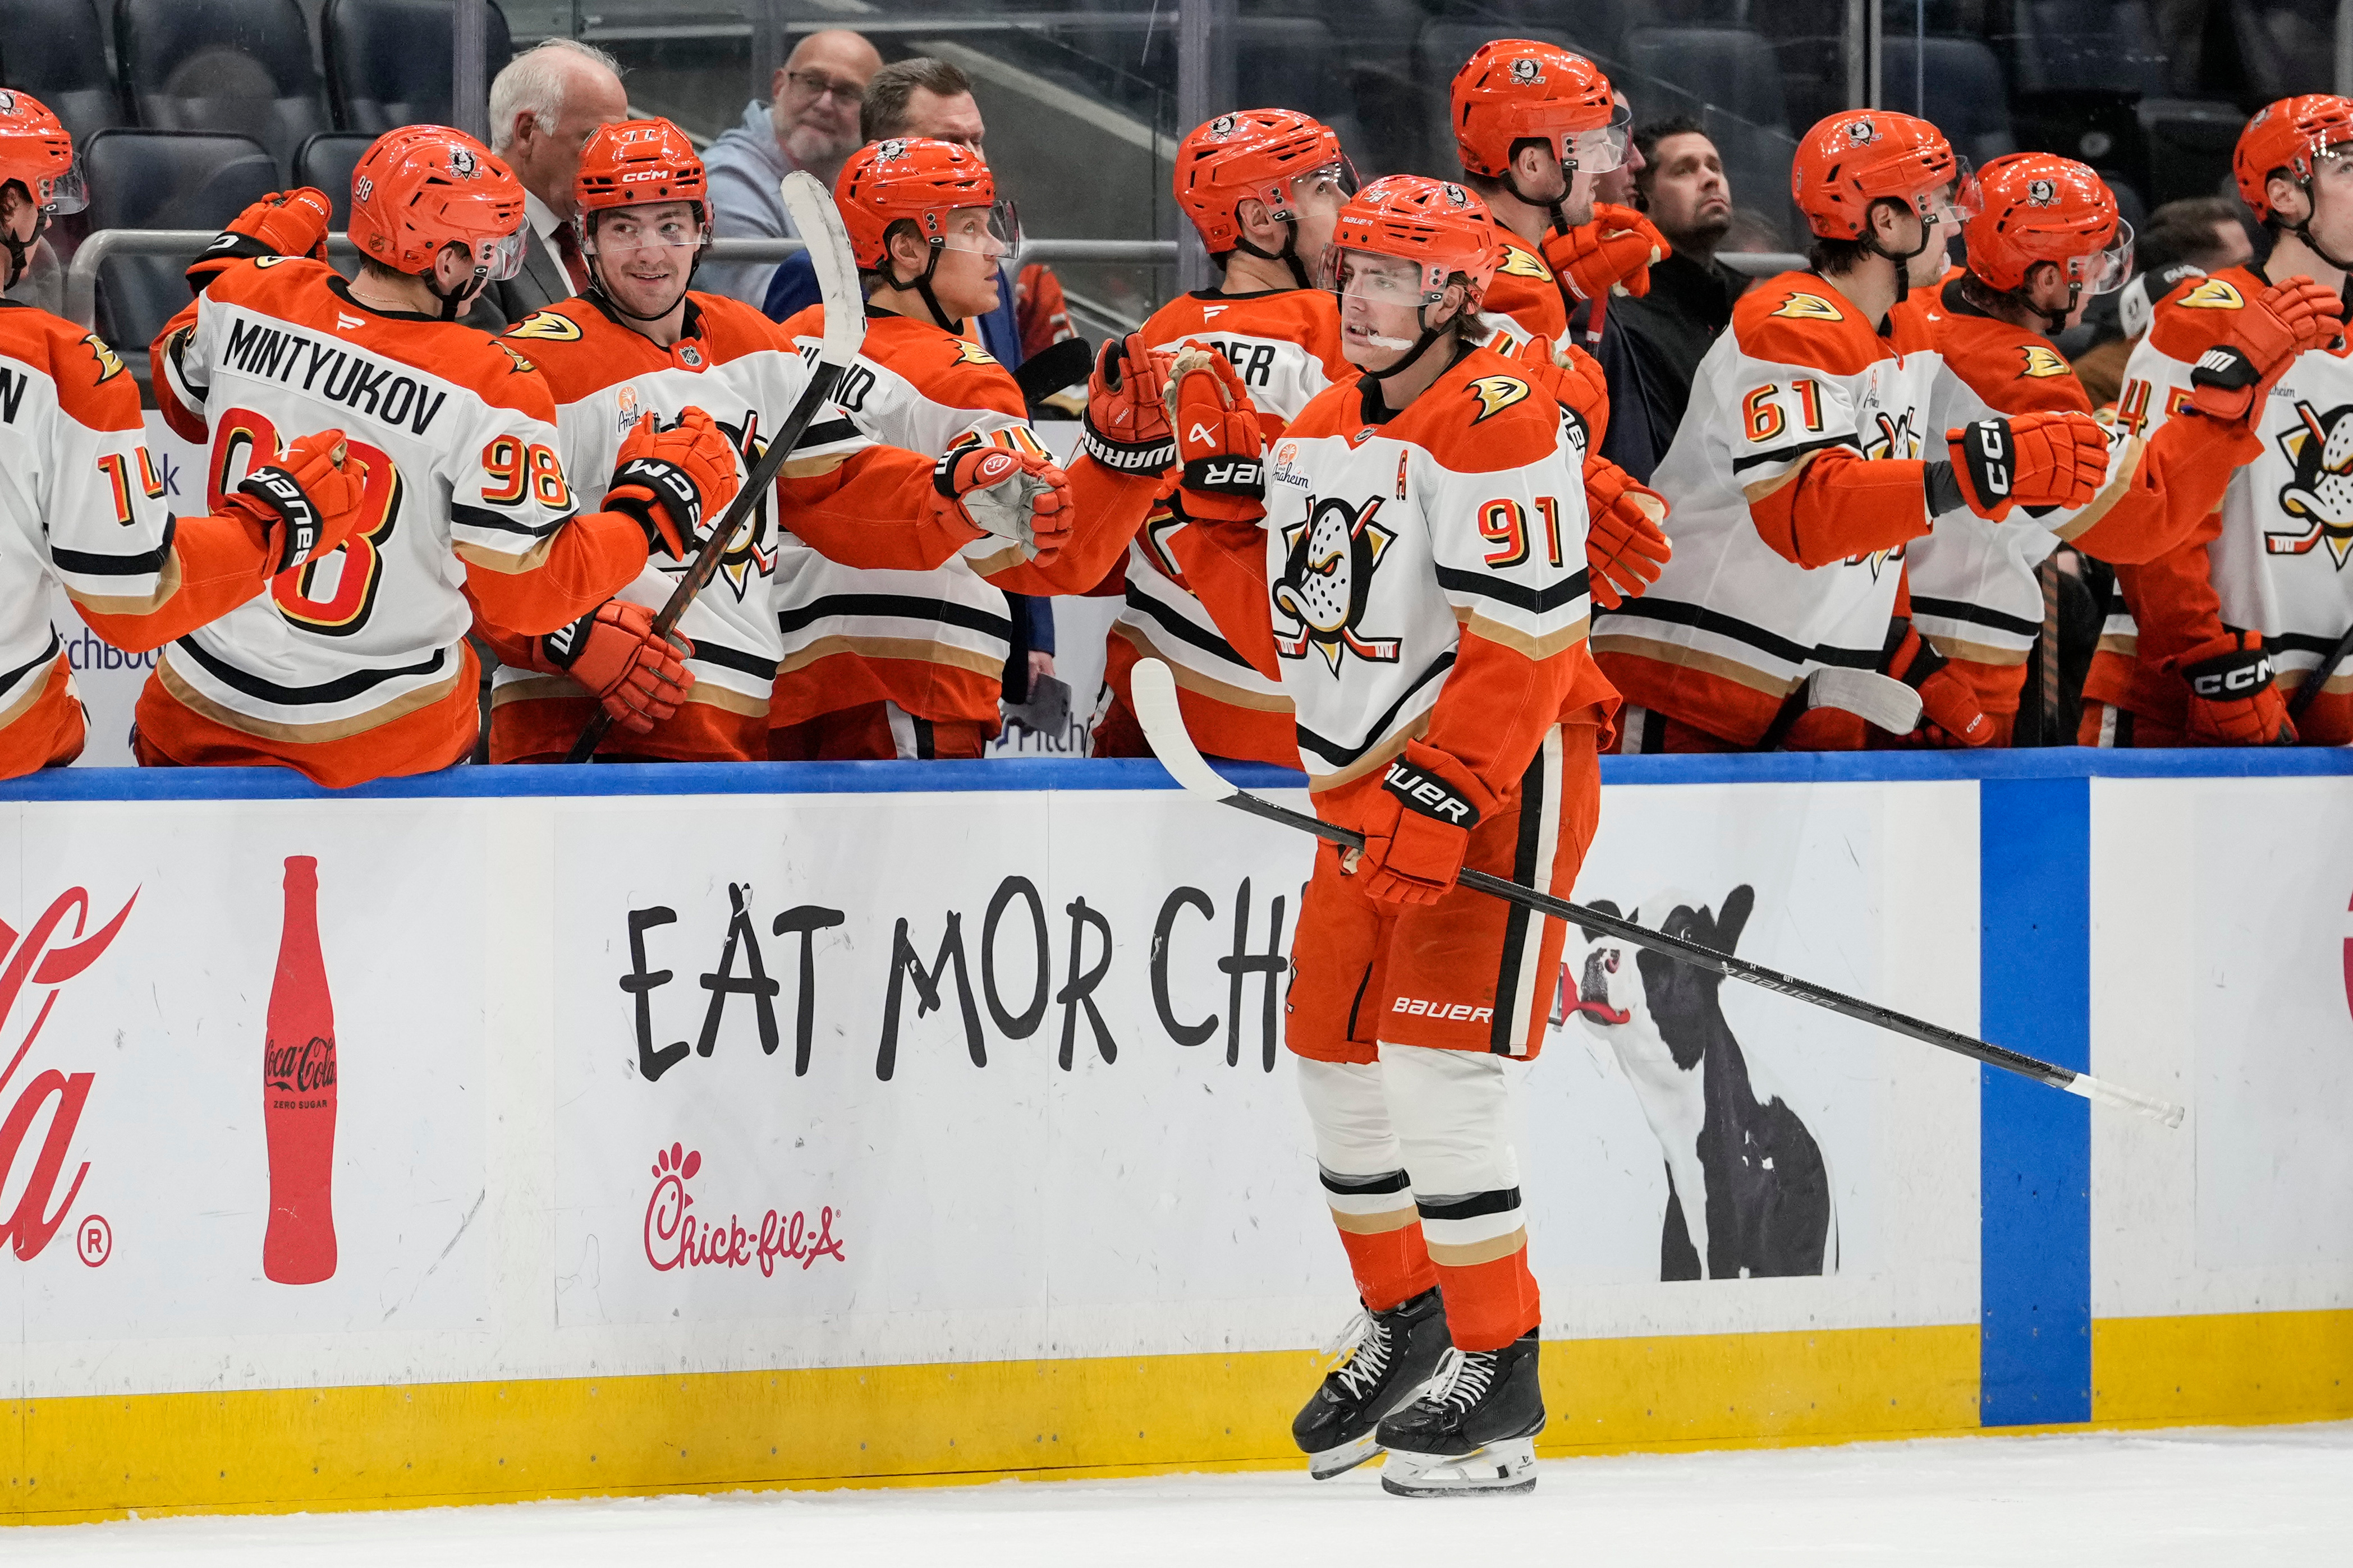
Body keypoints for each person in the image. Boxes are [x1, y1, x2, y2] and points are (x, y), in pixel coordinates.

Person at [1160, 175, 1616, 1497]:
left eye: (1391, 277)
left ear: (1457, 293)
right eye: (1349, 268)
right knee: (1331, 1058)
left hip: (1497, 785)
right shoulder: (1315, 420)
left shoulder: (1497, 418)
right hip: (1364, 787)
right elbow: (1297, 638)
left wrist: (1448, 786)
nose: (1357, 296)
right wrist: (1211, 518)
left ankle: (1500, 1372)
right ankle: (1410, 1319)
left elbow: (1529, 644)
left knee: (1439, 1081)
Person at [140, 125, 739, 785]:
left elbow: (176, 395)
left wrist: (230, 265)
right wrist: (652, 509)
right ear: (448, 262)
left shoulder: (247, 295)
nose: (493, 272)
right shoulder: (489, 382)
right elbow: (534, 596)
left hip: (198, 707)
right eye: (490, 251)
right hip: (382, 739)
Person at [473, 121, 1078, 764]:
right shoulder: (532, 363)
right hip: (573, 722)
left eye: (671, 225)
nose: (651, 251)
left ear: (703, 227)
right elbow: (482, 541)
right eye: (625, 227)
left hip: (735, 722)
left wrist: (950, 494)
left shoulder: (754, 343)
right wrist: (568, 639)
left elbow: (840, 485)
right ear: (587, 237)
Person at [1593, 111, 2113, 752]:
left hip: (1800, 696)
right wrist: (1985, 468)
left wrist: (1904, 654)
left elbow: (1882, 521)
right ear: (1885, 223)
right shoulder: (1786, 325)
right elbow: (1806, 511)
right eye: (1935, 204)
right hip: (1686, 683)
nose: (1953, 222)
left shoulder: (1908, 334)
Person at [0, 93, 373, 776]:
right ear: (9, 206)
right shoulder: (60, 367)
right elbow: (132, 596)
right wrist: (274, 523)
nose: (47, 221)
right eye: (41, 202)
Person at [764, 136, 1158, 760]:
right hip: (913, 689)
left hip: (780, 688)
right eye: (971, 228)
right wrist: (1124, 466)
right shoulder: (966, 376)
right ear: (907, 247)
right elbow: (1044, 557)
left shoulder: (789, 341)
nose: (996, 248)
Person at [1899, 152, 2309, 746]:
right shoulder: (2024, 380)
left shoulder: (1923, 305)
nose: (2099, 279)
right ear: (2044, 278)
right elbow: (2140, 520)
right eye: (2090, 261)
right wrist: (2234, 392)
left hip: (1890, 637)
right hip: (1959, 659)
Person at [1088, 108, 1357, 769]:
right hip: (1289, 717)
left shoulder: (1152, 336)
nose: (1349, 206)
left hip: (1147, 697)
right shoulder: (1342, 334)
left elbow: (1096, 536)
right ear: (1262, 220)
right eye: (1325, 188)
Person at [2082, 95, 2353, 747]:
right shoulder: (2198, 318)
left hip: (2330, 694)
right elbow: (2146, 512)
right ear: (2286, 196)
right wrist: (2211, 663)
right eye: (2347, 167)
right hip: (2190, 694)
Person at [763, 57, 1074, 375]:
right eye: (951, 142)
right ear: (881, 153)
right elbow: (781, 400)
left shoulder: (989, 274)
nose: (975, 160)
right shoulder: (816, 275)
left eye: (976, 141)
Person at [700, 28, 880, 307]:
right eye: (812, 82)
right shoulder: (726, 183)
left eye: (847, 93)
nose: (824, 104)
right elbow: (772, 313)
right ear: (779, 86)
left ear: (872, 114)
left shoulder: (853, 177)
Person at [1607, 117, 1746, 473]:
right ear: (1642, 201)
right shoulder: (1625, 314)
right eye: (1685, 170)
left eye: (1715, 167)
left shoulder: (1750, 299)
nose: (1711, 179)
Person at [480, 39, 630, 328]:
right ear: (526, 133)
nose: (613, 162)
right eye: (593, 141)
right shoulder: (466, 239)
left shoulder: (612, 227)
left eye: (617, 142)